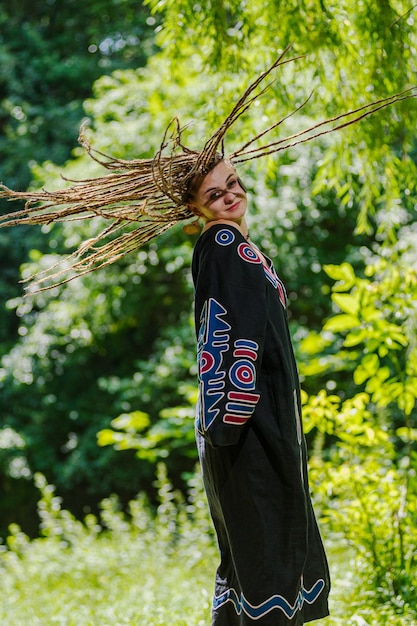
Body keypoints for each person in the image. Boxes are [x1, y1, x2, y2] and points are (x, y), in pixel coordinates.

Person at [186, 156, 330, 625]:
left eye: (233, 184)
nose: (229, 196)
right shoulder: (225, 242)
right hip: (248, 427)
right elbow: (235, 339)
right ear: (195, 207)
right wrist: (242, 423)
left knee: (256, 557)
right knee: (266, 555)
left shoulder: (229, 245)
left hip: (248, 423)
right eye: (214, 194)